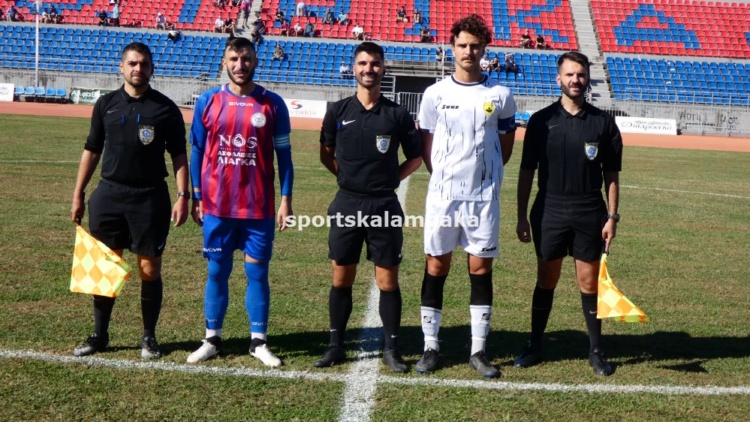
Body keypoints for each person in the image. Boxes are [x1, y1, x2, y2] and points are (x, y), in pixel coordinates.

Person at [70, 42, 189, 360]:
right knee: (105, 268)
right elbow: (92, 149)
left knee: (149, 269)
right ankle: (99, 335)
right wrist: (78, 192)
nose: (138, 69)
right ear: (121, 67)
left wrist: (183, 195)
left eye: (144, 64)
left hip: (149, 198)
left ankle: (149, 337)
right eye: (133, 63)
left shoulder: (165, 108)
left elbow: (179, 154)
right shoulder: (105, 104)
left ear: (152, 69)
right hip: (109, 195)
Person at [415, 14, 517, 379]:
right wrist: (446, 176)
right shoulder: (435, 94)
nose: (468, 51)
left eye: (475, 46)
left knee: (480, 269)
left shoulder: (500, 95)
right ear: (452, 47)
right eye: (462, 45)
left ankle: (478, 350)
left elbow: (505, 147)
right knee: (436, 267)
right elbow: (427, 145)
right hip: (443, 198)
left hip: (483, 198)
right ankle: (430, 347)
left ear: (484, 49)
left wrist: (485, 176)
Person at [186, 35, 294, 366]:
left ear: (255, 61)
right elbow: (197, 151)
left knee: (257, 274)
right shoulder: (208, 101)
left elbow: (284, 157)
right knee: (217, 272)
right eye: (234, 59)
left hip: (258, 208)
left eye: (246, 58)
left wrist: (286, 200)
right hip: (217, 207)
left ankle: (258, 342)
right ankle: (212, 339)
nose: (240, 65)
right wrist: (197, 195)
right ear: (224, 62)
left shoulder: (272, 104)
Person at [513, 51, 622, 377]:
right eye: (570, 74)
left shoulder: (603, 122)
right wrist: (521, 215)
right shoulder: (541, 121)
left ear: (587, 78)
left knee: (589, 282)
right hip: (549, 209)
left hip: (589, 210)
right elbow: (526, 171)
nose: (576, 80)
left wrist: (612, 217)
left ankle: (596, 351)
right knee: (546, 278)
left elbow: (611, 175)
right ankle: (535, 344)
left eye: (581, 74)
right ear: (558, 78)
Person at [315, 41, 422, 373]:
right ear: (354, 68)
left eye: (375, 63)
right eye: (363, 63)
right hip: (347, 202)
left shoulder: (397, 114)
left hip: (384, 205)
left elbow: (416, 158)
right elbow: (326, 153)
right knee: (341, 277)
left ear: (383, 68)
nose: (369, 69)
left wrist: (390, 180)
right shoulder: (338, 110)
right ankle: (335, 346)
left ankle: (391, 349)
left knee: (387, 281)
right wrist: (346, 177)